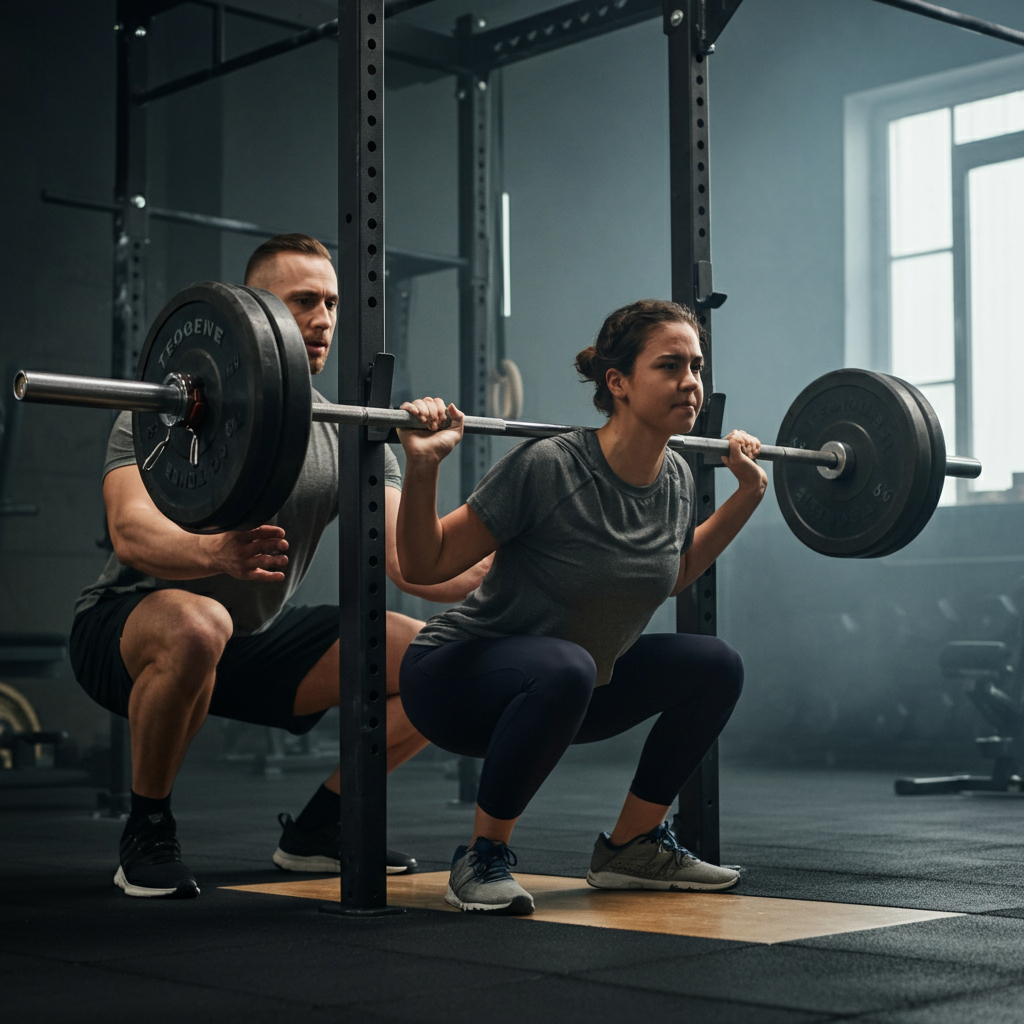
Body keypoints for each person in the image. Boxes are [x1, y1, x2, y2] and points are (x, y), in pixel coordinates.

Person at [70, 234, 489, 899]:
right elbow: (129, 532)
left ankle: (320, 830)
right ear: (255, 309)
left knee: (441, 663)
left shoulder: (346, 427)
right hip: (128, 627)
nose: (322, 319)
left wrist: (450, 483)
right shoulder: (165, 404)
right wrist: (215, 552)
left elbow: (419, 565)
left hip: (250, 640)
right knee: (199, 622)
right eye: (302, 301)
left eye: (330, 302)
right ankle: (147, 828)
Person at [395, 298, 766, 915]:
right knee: (566, 665)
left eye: (696, 367)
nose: (691, 383)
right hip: (454, 680)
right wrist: (425, 465)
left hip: (568, 686)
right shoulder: (550, 466)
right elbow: (423, 565)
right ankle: (480, 858)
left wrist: (746, 497)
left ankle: (632, 846)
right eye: (670, 366)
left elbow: (671, 576)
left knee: (714, 665)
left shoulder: (674, 476)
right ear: (617, 383)